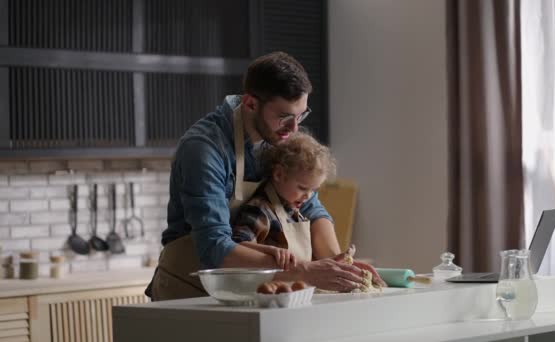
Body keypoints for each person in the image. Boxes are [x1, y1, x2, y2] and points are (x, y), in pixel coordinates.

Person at [146, 51, 385, 301]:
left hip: (247, 290)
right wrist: (303, 271)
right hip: (189, 293)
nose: (294, 129)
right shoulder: (204, 149)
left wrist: (338, 263)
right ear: (250, 103)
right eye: (284, 117)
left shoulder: (279, 137)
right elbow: (215, 248)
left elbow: (312, 210)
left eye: (300, 115)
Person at [231, 132, 336, 271]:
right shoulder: (260, 209)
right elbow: (236, 246)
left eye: (313, 190)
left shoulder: (293, 211)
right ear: (279, 174)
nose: (308, 196)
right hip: (264, 289)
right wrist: (270, 251)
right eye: (302, 188)